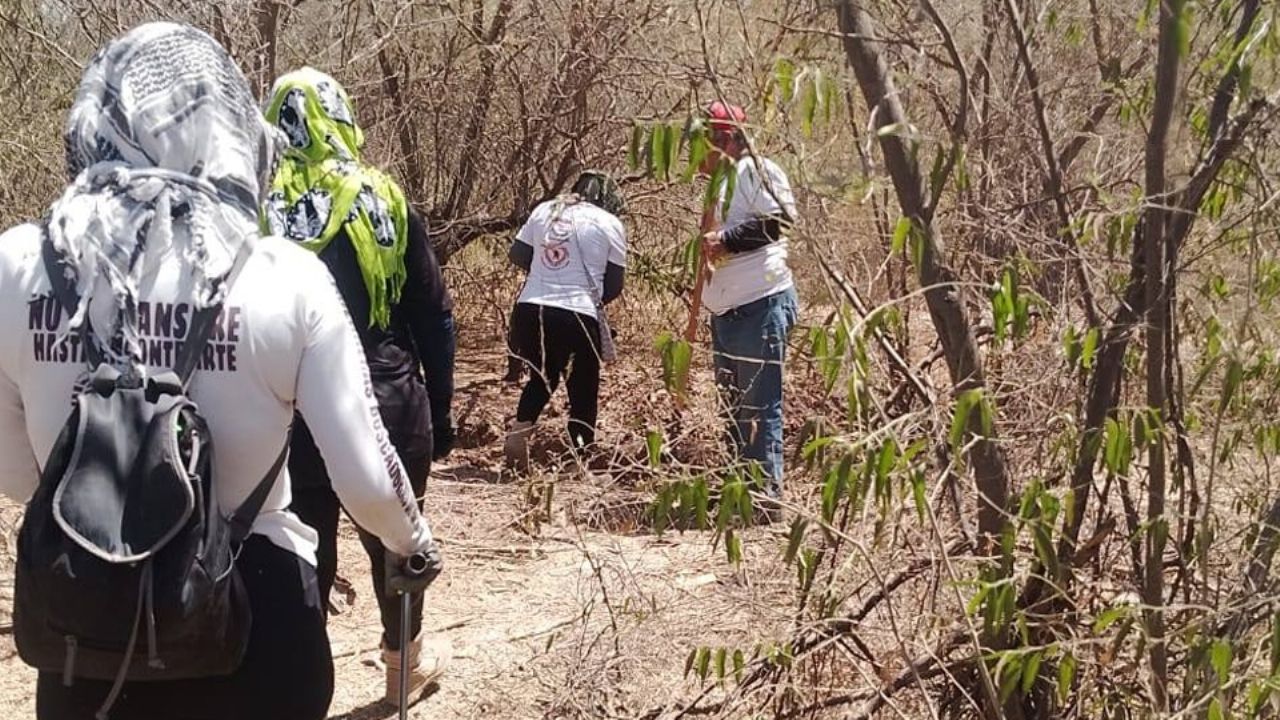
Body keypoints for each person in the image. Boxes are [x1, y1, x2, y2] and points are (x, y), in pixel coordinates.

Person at [0, 23, 439, 720]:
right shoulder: (280, 274)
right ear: (230, 124)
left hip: (89, 631)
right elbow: (366, 476)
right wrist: (411, 546)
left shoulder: (17, 266)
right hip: (255, 623)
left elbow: (22, 477)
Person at [262, 67, 456, 705]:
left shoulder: (262, 206)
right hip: (388, 401)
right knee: (396, 544)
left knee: (300, 555)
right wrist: (444, 408)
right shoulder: (383, 199)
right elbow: (433, 313)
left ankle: (300, 686)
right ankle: (403, 673)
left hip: (288, 410)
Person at [699, 101, 800, 517]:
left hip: (760, 304)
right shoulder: (718, 183)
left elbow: (781, 220)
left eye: (706, 139)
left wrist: (726, 240)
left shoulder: (759, 170)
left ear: (725, 138)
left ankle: (764, 503)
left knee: (759, 407)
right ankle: (739, 494)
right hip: (726, 313)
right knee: (733, 409)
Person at [503, 172, 627, 468]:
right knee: (583, 388)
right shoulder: (610, 224)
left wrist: (547, 276)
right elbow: (615, 284)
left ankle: (519, 435)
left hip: (530, 310)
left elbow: (518, 254)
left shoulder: (546, 209)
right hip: (577, 314)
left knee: (542, 379)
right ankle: (578, 458)